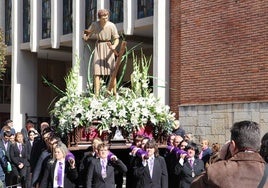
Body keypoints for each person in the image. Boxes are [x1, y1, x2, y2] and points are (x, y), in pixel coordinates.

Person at [191, 121, 268, 188]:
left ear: (232, 145)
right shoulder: (265, 170)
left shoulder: (217, 170)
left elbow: (194, 184)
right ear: (258, 144)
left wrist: (220, 158)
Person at [83, 9, 120, 96]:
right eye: (103, 18)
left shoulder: (111, 25)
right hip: (99, 47)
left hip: (108, 47)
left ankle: (114, 92)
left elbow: (116, 38)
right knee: (97, 72)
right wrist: (85, 36)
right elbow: (87, 34)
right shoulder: (95, 24)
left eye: (107, 17)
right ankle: (96, 94)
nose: (105, 19)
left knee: (112, 71)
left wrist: (114, 46)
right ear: (99, 18)